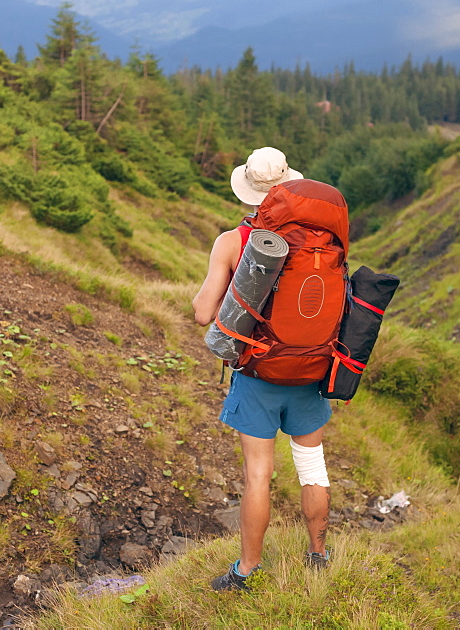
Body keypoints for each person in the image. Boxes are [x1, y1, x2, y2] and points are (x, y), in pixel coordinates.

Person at [192, 146, 333, 592]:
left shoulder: (233, 241)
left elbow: (202, 313)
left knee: (258, 476)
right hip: (310, 370)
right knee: (312, 466)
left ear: (249, 191)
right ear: (289, 183)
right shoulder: (319, 240)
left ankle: (247, 570)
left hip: (257, 374)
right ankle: (318, 555)